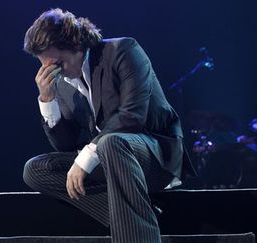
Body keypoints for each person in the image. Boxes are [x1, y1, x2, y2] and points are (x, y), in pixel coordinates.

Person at [22, 9, 194, 243]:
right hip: (111, 161)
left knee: (112, 142)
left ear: (75, 43)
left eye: (59, 63)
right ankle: (142, 214)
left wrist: (88, 156)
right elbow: (66, 144)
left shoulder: (122, 51)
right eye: (48, 67)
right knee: (35, 169)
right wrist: (47, 99)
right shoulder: (62, 84)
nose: (56, 72)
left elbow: (133, 116)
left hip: (153, 155)